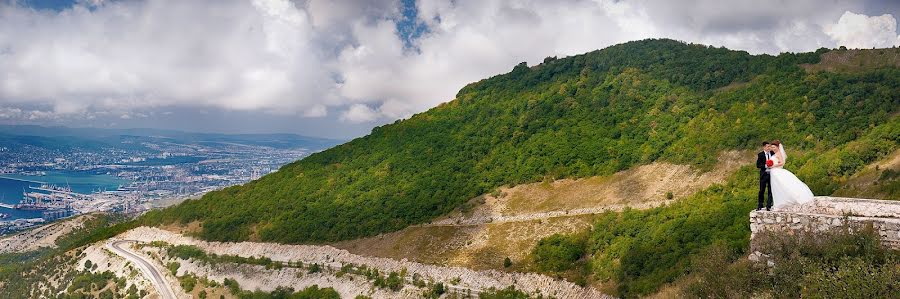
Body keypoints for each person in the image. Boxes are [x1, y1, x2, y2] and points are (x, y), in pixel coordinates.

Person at [769, 140, 814, 209]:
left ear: (778, 147)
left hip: (777, 171)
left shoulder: (778, 153)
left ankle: (792, 198)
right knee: (777, 187)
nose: (773, 148)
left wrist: (773, 165)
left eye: (774, 147)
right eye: (772, 147)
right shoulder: (775, 154)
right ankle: (781, 201)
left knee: (783, 185)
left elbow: (782, 163)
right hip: (774, 172)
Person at [755, 141, 775, 211]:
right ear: (764, 147)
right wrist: (765, 166)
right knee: (761, 190)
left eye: (769, 146)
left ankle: (768, 205)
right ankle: (760, 205)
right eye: (767, 146)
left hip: (771, 174)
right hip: (764, 175)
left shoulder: (772, 153)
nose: (769, 148)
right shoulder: (760, 155)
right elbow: (758, 165)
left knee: (770, 190)